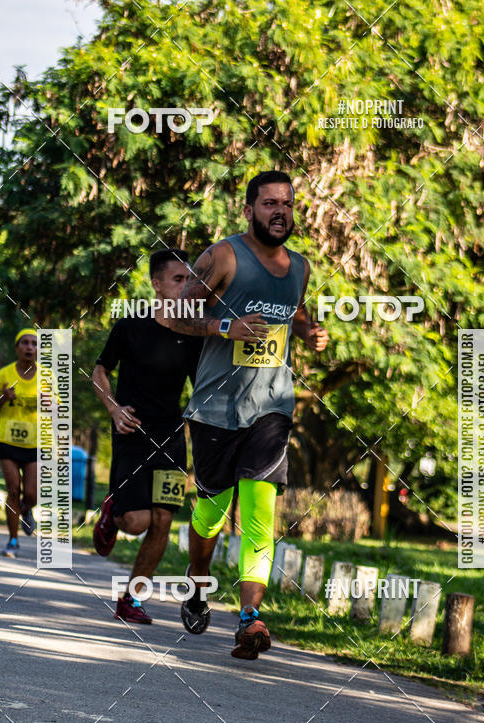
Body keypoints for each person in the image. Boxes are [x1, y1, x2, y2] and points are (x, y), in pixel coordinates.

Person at [168, 171, 329, 659]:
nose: (280, 211)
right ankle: (198, 582)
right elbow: (175, 315)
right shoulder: (222, 257)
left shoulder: (299, 267)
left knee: (261, 512)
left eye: (287, 203)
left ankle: (250, 618)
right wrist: (225, 327)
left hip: (272, 407)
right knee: (211, 512)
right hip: (216, 408)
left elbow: (293, 312)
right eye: (269, 203)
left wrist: (310, 333)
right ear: (249, 210)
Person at [92, 249, 203, 625]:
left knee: (163, 521)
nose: (187, 286)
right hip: (132, 431)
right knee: (137, 522)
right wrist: (113, 409)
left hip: (171, 437)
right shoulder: (131, 325)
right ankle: (113, 513)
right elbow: (99, 372)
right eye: (178, 279)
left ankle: (131, 599)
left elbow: (201, 387)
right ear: (156, 284)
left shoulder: (194, 334)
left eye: (190, 280)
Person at [0, 328, 39, 557]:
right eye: (25, 343)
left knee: (32, 495)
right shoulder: (4, 374)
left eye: (34, 344)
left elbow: (59, 408)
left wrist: (50, 404)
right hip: (8, 441)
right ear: (17, 348)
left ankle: (25, 510)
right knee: (13, 490)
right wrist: (3, 398)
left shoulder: (47, 377)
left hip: (35, 443)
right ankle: (13, 541)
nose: (29, 347)